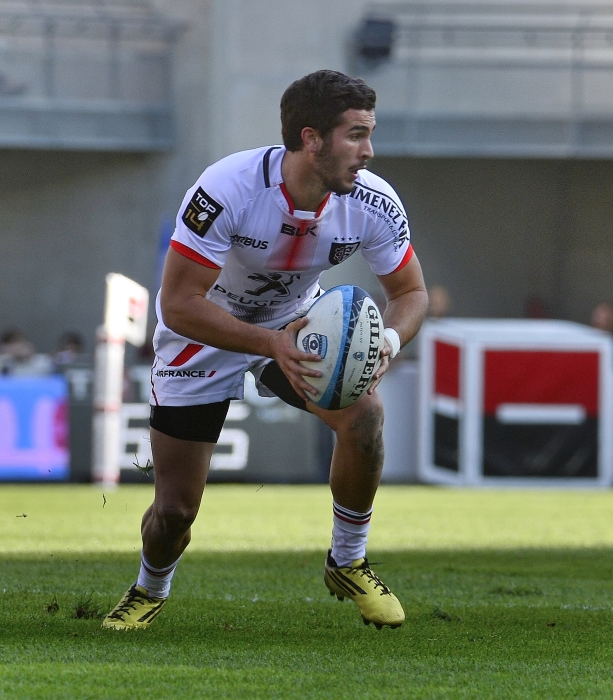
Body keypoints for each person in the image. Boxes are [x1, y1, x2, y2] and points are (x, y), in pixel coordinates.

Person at [102, 70, 428, 631]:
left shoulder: (372, 202)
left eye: (369, 134)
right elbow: (179, 303)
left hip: (297, 325)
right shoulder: (226, 188)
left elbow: (411, 292)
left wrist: (389, 342)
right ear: (311, 138)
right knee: (176, 511)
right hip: (203, 333)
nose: (368, 152)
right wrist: (267, 344)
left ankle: (348, 560)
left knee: (365, 416)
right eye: (355, 135)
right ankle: (149, 588)